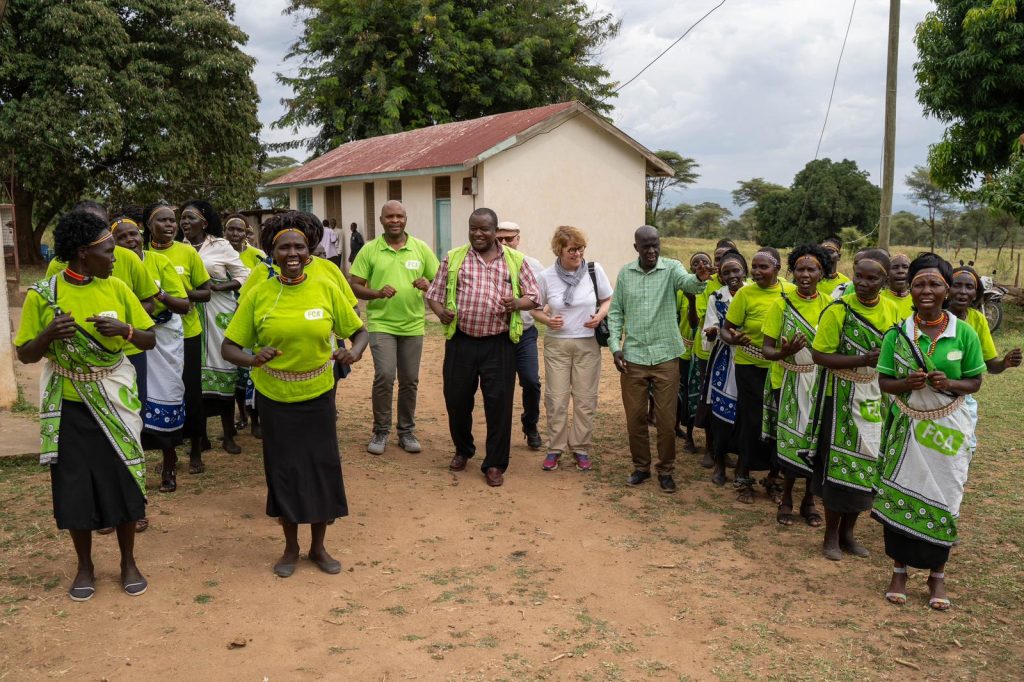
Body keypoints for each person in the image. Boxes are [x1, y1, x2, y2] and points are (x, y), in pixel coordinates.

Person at [15, 210, 156, 601]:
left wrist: (125, 330)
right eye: (108, 250)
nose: (115, 257)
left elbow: (149, 339)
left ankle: (128, 562)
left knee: (125, 480)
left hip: (114, 398)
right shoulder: (44, 296)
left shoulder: (118, 289)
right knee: (75, 488)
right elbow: (25, 355)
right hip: (70, 404)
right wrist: (47, 335)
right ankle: (85, 566)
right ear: (82, 253)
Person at [222, 223, 368, 578]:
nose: (292, 255)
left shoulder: (325, 285)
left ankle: (318, 547)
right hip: (274, 397)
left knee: (321, 469)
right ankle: (290, 548)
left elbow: (359, 332)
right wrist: (252, 359)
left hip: (318, 394)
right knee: (284, 471)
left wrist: (355, 353)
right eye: (284, 248)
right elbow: (228, 347)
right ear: (273, 253)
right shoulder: (259, 293)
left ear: (309, 252)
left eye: (298, 248)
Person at [874, 253, 985, 610]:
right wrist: (905, 382)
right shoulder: (898, 335)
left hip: (949, 428)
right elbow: (884, 382)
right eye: (919, 283)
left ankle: (937, 576)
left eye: (934, 283)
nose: (926, 290)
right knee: (901, 493)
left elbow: (976, 381)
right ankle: (899, 571)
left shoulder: (963, 332)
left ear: (947, 289)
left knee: (946, 495)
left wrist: (948, 381)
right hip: (907, 426)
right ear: (910, 289)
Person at [425, 208, 540, 487]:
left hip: (499, 344)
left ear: (495, 231)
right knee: (457, 400)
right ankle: (463, 450)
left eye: (484, 229)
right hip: (461, 342)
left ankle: (495, 464)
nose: (478, 234)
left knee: (498, 405)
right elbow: (434, 295)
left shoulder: (515, 260)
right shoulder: (454, 258)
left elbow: (534, 296)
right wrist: (441, 313)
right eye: (473, 228)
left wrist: (517, 303)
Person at [810, 248, 901, 561]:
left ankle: (850, 533)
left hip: (875, 396)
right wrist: (862, 359)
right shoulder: (838, 310)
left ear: (884, 281)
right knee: (838, 465)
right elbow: (820, 355)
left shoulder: (892, 311)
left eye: (871, 278)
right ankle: (831, 536)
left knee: (868, 465)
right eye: (859, 276)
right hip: (840, 395)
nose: (863, 283)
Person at [607, 226, 706, 493]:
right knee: (635, 418)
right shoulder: (626, 274)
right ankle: (641, 467)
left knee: (665, 420)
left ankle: (666, 470)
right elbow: (615, 313)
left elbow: (690, 284)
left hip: (665, 357)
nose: (651, 251)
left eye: (655, 246)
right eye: (646, 247)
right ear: (636, 247)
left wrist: (700, 277)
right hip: (634, 358)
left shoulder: (671, 268)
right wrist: (615, 347)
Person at [349, 200, 439, 455]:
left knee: (410, 380)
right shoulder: (370, 250)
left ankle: (406, 432)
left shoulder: (420, 248)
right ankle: (380, 431)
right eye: (390, 217)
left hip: (413, 324)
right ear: (381, 220)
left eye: (399, 216)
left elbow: (439, 280)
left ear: (406, 218)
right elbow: (355, 284)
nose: (395, 220)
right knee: (385, 376)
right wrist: (376, 293)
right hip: (382, 324)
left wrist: (427, 284)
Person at [112, 217, 191, 495]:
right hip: (129, 342)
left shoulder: (159, 262)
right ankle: (135, 469)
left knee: (167, 395)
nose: (129, 240)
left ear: (142, 234)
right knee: (132, 407)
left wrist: (157, 296)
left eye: (133, 234)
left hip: (164, 340)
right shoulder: (110, 265)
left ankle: (169, 464)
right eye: (121, 237)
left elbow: (184, 304)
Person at [760, 244, 833, 526]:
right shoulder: (782, 303)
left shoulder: (830, 305)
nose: (804, 274)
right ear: (792, 271)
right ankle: (787, 498)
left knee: (814, 442)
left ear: (822, 273)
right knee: (790, 440)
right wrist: (784, 353)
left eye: (811, 269)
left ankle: (808, 502)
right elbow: (767, 349)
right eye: (800, 269)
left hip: (819, 382)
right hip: (786, 379)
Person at [531, 225, 611, 472]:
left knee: (585, 399)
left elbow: (607, 299)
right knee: (556, 399)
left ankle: (580, 448)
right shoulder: (545, 277)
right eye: (572, 250)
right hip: (557, 344)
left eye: (580, 248)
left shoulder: (594, 271)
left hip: (587, 342)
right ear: (559, 250)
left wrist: (599, 316)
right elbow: (533, 307)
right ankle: (555, 448)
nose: (577, 254)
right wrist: (547, 319)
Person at [719, 247, 795, 503]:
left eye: (764, 267)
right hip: (749, 366)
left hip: (779, 368)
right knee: (752, 422)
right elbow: (725, 330)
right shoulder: (745, 293)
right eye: (754, 266)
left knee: (777, 422)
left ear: (777, 269)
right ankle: (744, 476)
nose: (757, 271)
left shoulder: (789, 292)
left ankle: (774, 478)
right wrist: (735, 339)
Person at [143, 203, 213, 474]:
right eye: (162, 221)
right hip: (155, 336)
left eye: (172, 221)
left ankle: (196, 449)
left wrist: (179, 295)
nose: (170, 225)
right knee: (163, 392)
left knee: (190, 391)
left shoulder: (187, 253)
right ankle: (168, 452)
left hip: (187, 333)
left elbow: (205, 293)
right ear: (149, 226)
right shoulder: (142, 256)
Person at [180, 200, 249, 455]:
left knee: (224, 370)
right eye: (183, 219)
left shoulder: (221, 246)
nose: (185, 223)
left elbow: (244, 275)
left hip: (219, 313)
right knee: (193, 376)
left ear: (204, 223)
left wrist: (217, 288)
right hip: (189, 316)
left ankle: (228, 434)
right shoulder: (178, 248)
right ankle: (200, 436)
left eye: (190, 218)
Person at [947, 265, 1022, 449]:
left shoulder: (977, 319)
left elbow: (990, 365)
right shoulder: (934, 316)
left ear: (976, 293)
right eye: (957, 285)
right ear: (947, 288)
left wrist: (1004, 363)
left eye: (969, 287)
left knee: (965, 448)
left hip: (964, 396)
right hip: (933, 393)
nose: (963, 292)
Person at [495, 220, 545, 450]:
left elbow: (544, 296)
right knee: (500, 386)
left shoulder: (533, 265)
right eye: (500, 238)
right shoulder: (490, 264)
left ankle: (531, 425)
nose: (505, 243)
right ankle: (499, 432)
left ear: (518, 239)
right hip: (498, 335)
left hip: (524, 334)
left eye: (509, 238)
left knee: (531, 382)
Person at [702, 250, 748, 486]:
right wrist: (711, 332)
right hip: (723, 360)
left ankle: (742, 466)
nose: (732, 275)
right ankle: (720, 463)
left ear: (744, 272)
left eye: (736, 270)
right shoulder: (716, 298)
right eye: (726, 272)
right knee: (720, 414)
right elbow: (709, 330)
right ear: (720, 275)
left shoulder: (753, 294)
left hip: (750, 360)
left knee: (744, 416)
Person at [688, 245, 734, 466]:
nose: (722, 263)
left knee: (729, 401)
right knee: (709, 400)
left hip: (736, 354)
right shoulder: (706, 286)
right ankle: (709, 448)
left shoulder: (743, 287)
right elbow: (698, 320)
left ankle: (723, 449)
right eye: (719, 259)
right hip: (709, 351)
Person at [224, 214, 266, 435]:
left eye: (239, 230)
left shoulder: (258, 256)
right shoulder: (218, 254)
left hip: (251, 317)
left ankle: (256, 418)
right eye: (231, 229)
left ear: (247, 232)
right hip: (224, 317)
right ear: (225, 231)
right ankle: (241, 414)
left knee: (251, 369)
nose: (235, 234)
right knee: (235, 371)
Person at [677, 252, 714, 452]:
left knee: (702, 395)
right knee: (684, 392)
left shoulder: (717, 287)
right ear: (691, 270)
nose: (701, 265)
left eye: (705, 262)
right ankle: (687, 435)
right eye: (696, 263)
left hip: (706, 351)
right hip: (685, 349)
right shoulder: (683, 290)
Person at [880, 253, 913, 320]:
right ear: (887, 273)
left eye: (905, 267)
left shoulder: (917, 299)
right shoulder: (878, 299)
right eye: (895, 267)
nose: (900, 271)